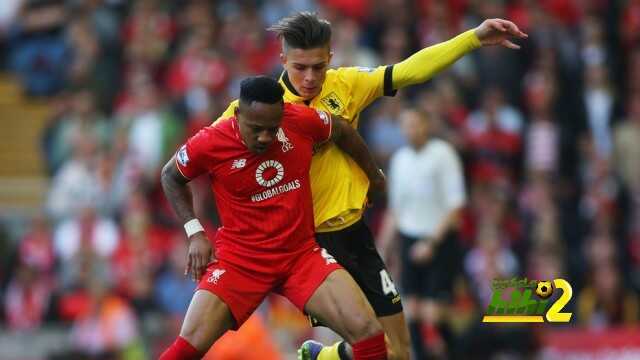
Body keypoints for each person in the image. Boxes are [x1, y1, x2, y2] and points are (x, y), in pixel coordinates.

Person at [217, 12, 527, 360]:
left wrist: (472, 38)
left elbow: (410, 70)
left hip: (356, 235)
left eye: (318, 67)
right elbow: (204, 156)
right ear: (283, 59)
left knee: (400, 351)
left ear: (330, 58)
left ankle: (323, 356)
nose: (309, 77)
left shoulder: (346, 85)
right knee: (372, 344)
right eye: (300, 67)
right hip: (311, 246)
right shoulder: (258, 111)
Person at [159, 76, 388, 360]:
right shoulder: (211, 141)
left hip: (300, 256)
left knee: (369, 332)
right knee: (187, 348)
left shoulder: (299, 121)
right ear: (238, 114)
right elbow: (170, 176)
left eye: (272, 129)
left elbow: (341, 130)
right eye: (256, 129)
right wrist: (195, 232)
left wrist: (374, 176)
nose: (265, 137)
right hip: (241, 261)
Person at [378, 109, 466, 359]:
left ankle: (458, 352)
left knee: (434, 314)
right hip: (409, 237)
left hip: (439, 239)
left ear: (427, 125)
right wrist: (383, 247)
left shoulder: (443, 155)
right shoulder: (400, 160)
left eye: (416, 124)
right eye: (407, 125)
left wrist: (431, 242)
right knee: (412, 311)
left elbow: (456, 206)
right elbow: (395, 209)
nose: (412, 130)